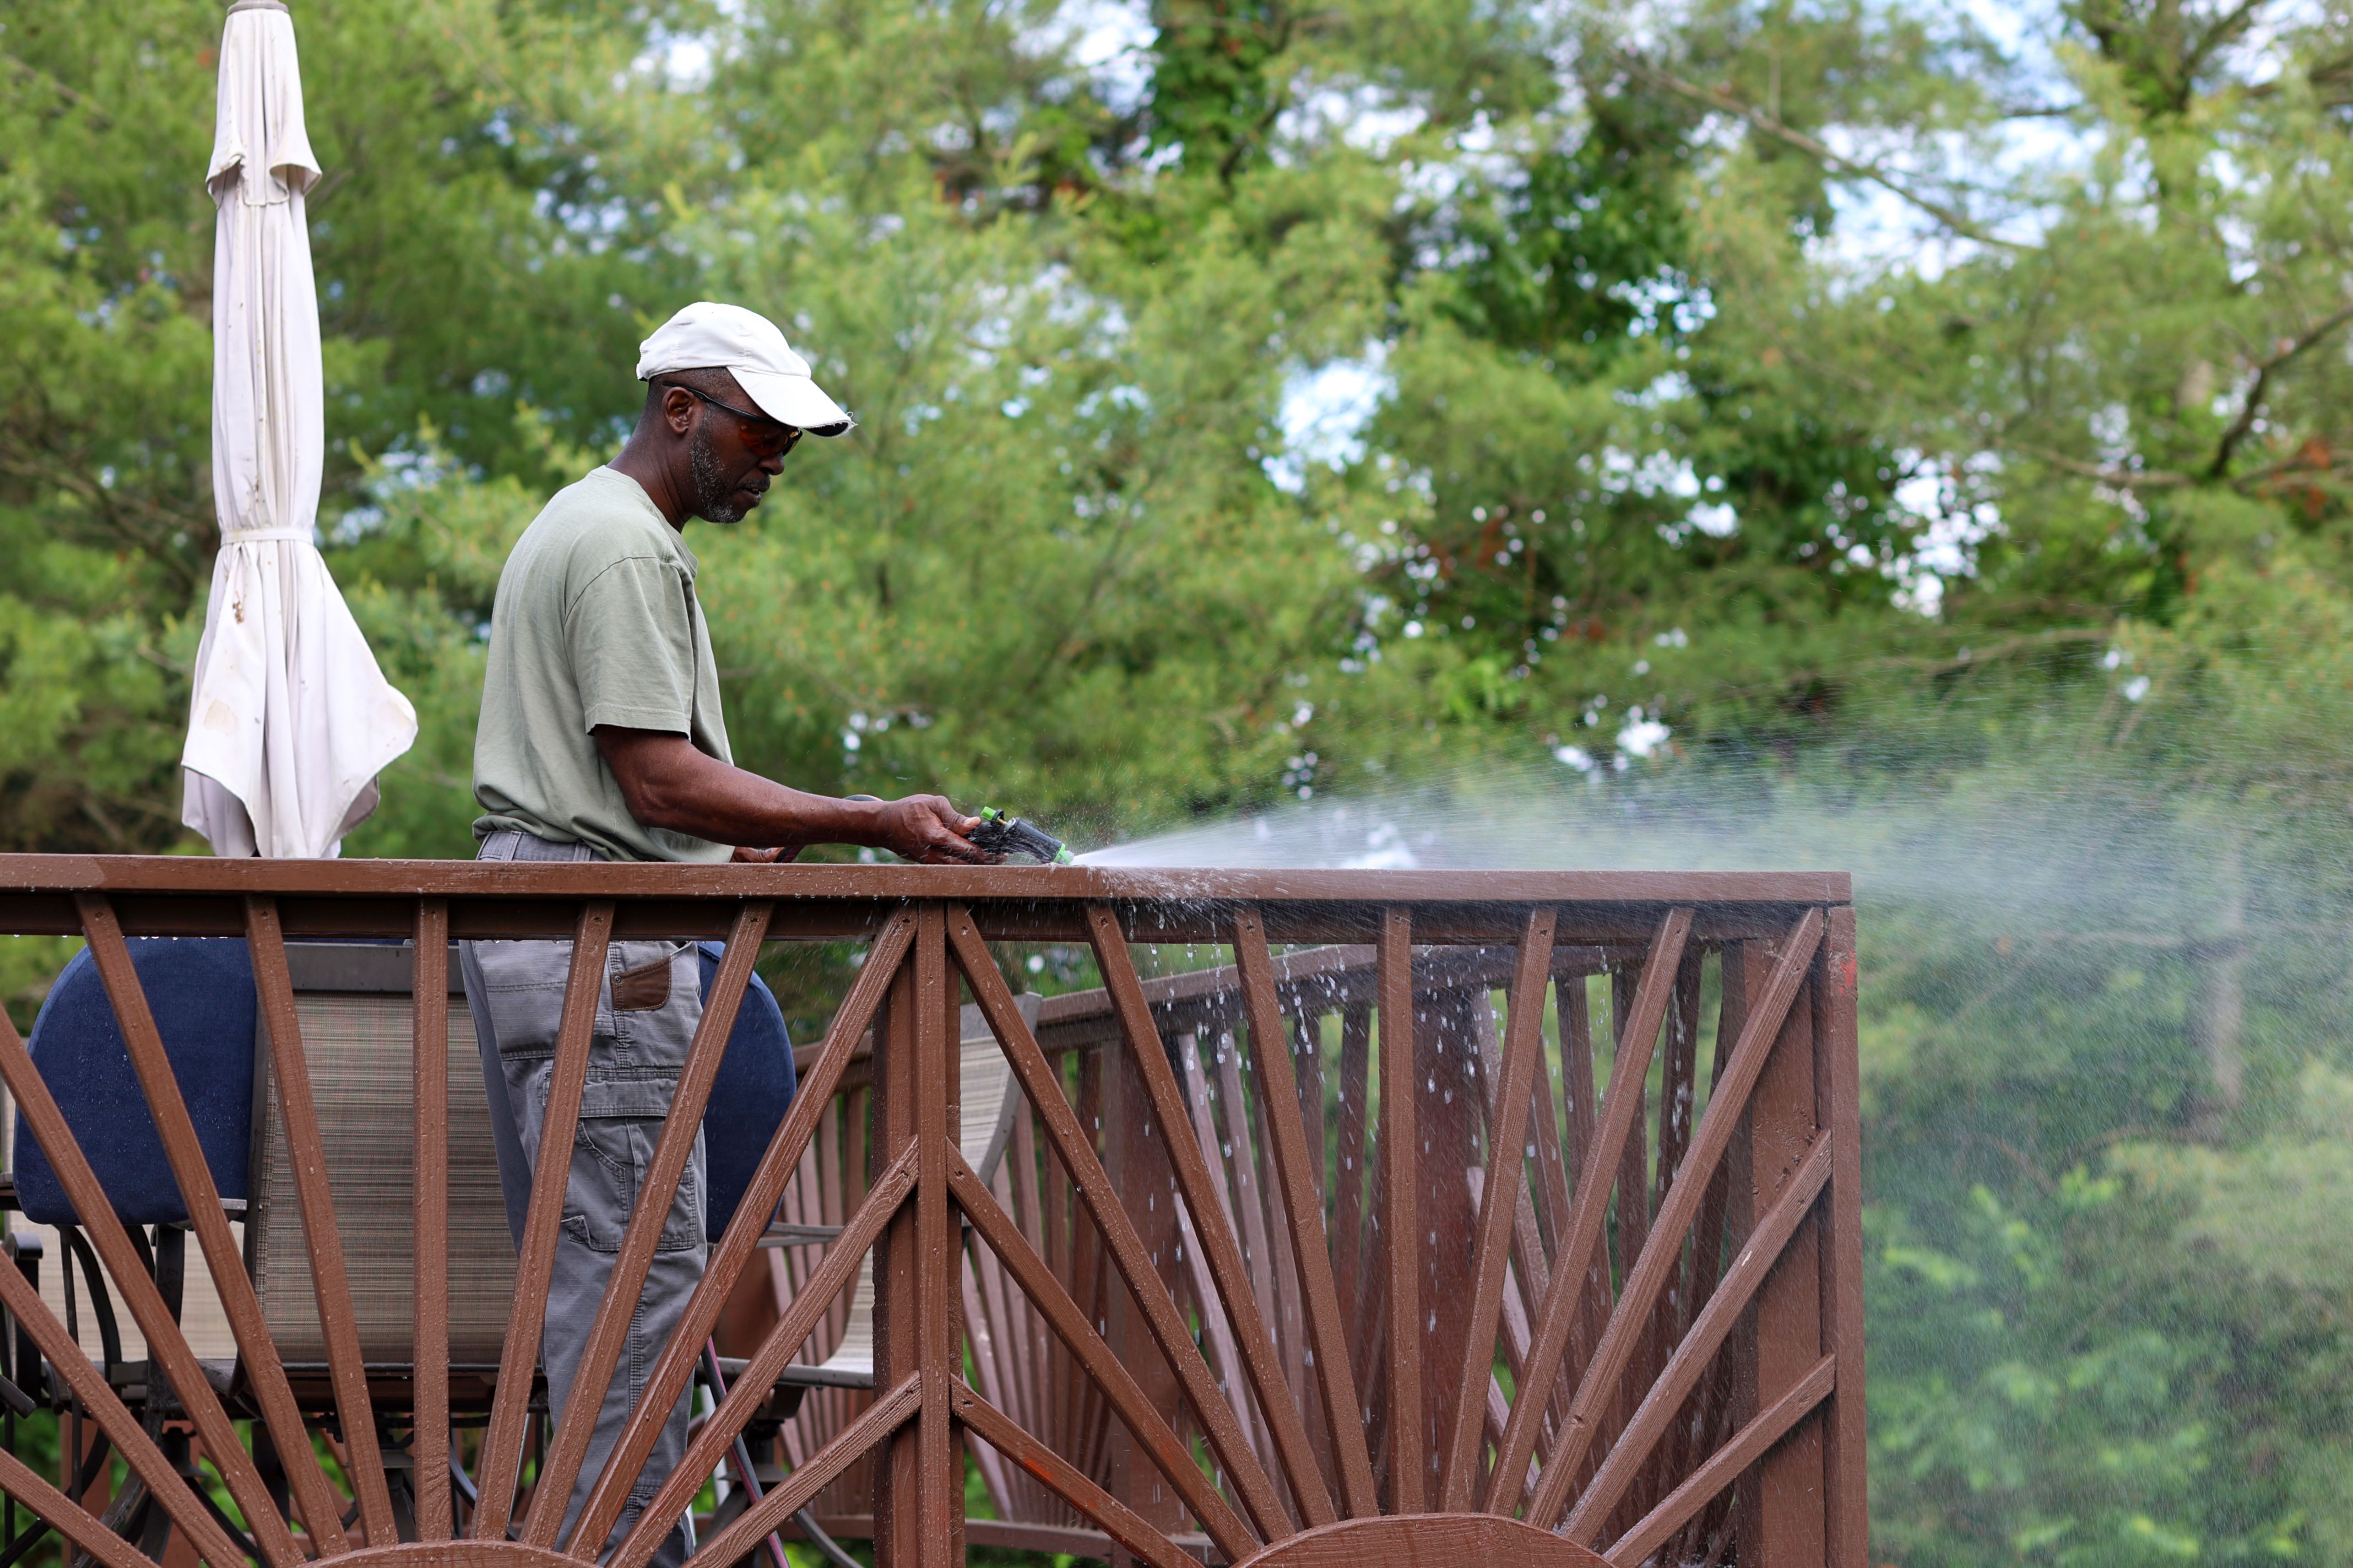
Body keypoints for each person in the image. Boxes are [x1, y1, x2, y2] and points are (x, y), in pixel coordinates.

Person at [457, 301, 992, 1563]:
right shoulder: (628, 548)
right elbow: (652, 776)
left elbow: (633, 795)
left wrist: (716, 847)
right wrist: (869, 815)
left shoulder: (580, 524)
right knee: (633, 1296)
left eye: (789, 442)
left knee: (606, 1282)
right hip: (608, 956)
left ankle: (608, 1539)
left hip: (564, 930)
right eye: (760, 429)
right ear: (681, 408)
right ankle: (628, 1550)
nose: (774, 460)